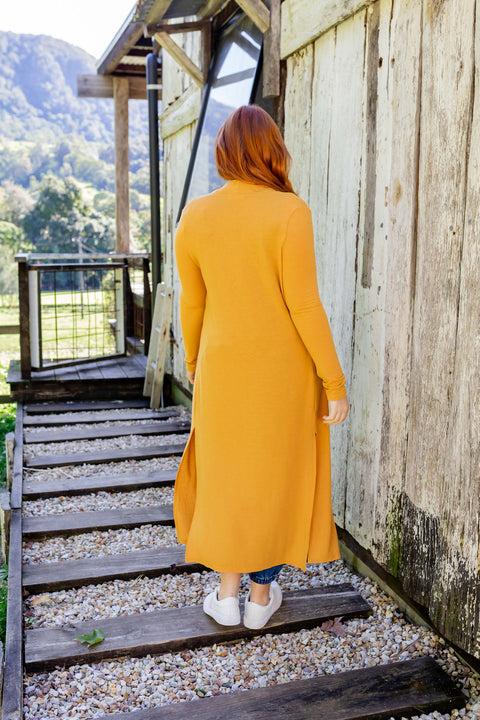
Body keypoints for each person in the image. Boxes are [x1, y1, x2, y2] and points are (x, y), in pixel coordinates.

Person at [173, 104, 349, 630]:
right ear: (272, 151)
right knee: (275, 475)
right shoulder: (290, 212)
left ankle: (225, 596)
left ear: (225, 153)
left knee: (227, 475)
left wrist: (194, 362)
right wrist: (333, 383)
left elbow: (193, 305)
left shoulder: (195, 215)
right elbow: (305, 306)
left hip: (221, 368)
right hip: (283, 377)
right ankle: (259, 598)